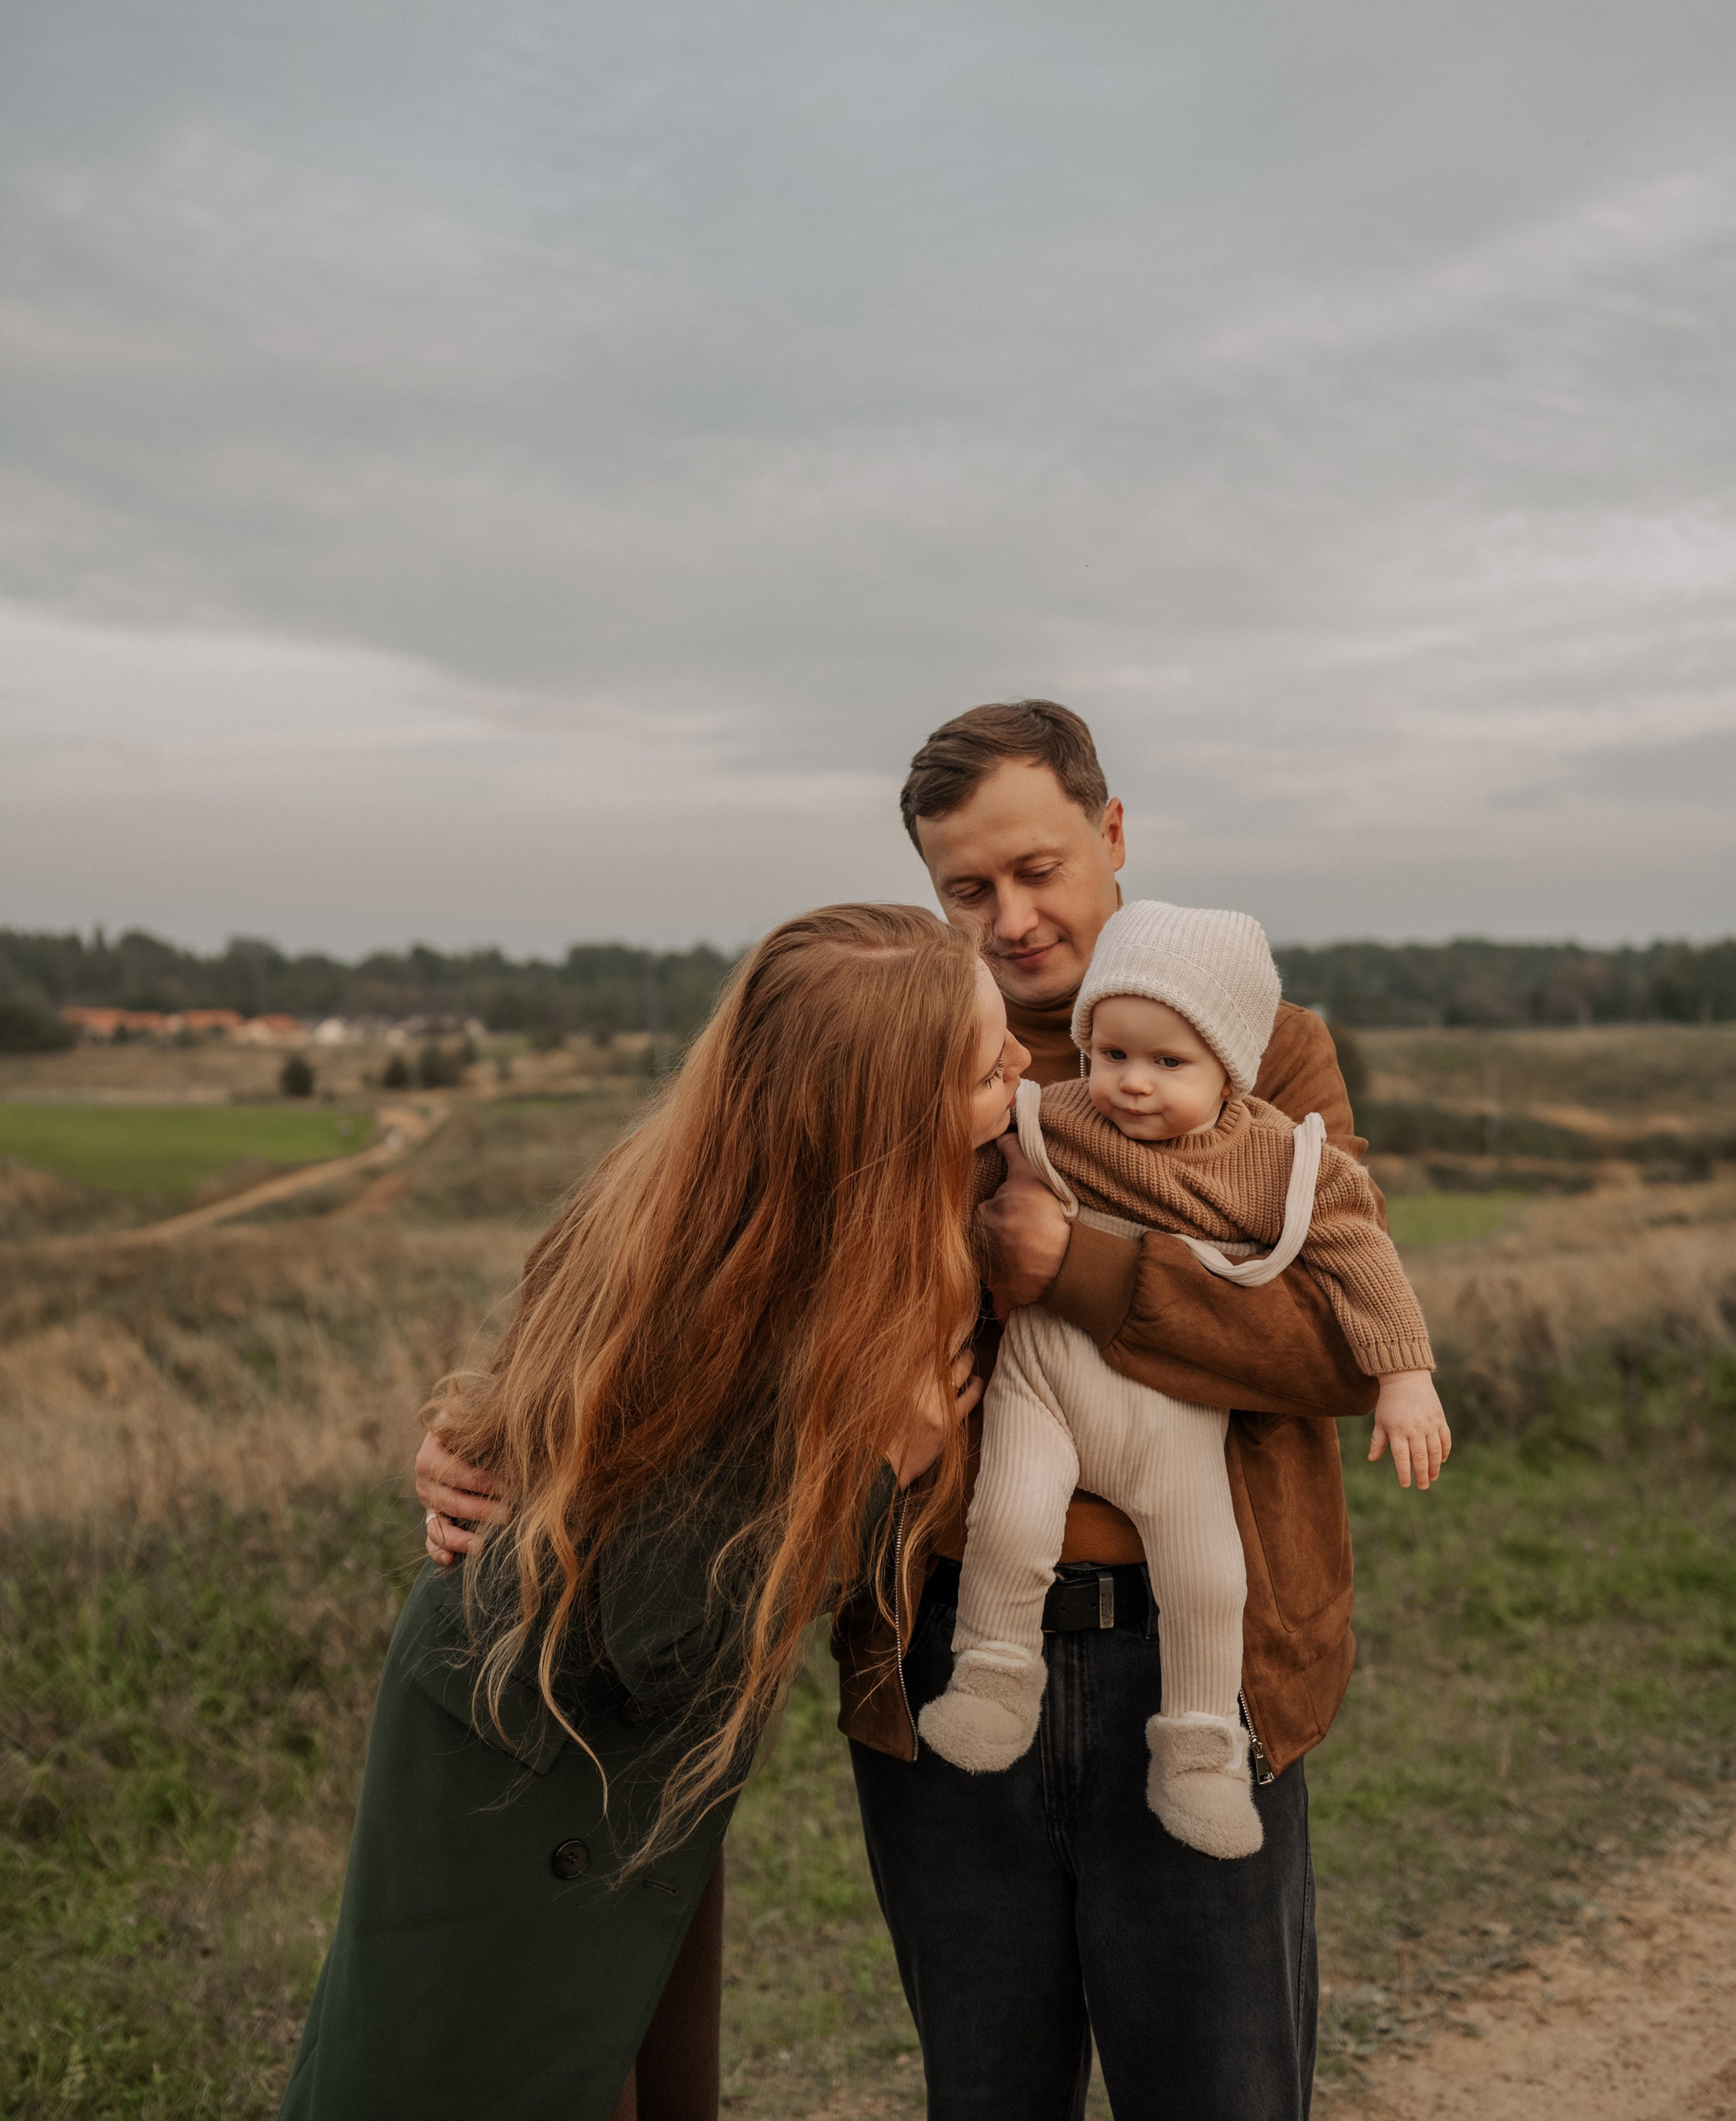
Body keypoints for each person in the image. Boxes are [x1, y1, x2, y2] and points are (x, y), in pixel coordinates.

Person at [421, 700, 1396, 2118]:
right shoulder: (889, 1050)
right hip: (938, 1648)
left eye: (1039, 870)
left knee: (1220, 2090)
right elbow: (693, 1269)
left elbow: (1344, 1343)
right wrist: (505, 1433)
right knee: (983, 2089)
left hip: (1194, 1655)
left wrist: (1075, 1268)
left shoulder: (1261, 1046)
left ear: (1114, 833)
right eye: (968, 890)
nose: (1011, 919)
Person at [283, 904, 1019, 2121]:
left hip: (625, 1760)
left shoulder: (853, 1209)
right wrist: (887, 1464)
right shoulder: (705, 1263)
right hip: (533, 1746)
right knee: (486, 2071)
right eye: (990, 1068)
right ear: (883, 1119)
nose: (1026, 1072)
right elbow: (666, 1632)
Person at [917, 896, 1448, 1861]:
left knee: (1209, 1579)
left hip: (1175, 1417)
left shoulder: (1271, 1160)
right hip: (1045, 1385)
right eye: (1112, 1054)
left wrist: (1405, 1376)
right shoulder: (1056, 1117)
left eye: (1170, 1064)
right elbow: (961, 1177)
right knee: (1011, 1519)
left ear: (1230, 1070)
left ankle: (1201, 1754)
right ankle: (992, 1680)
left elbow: (1359, 1254)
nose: (1132, 1084)